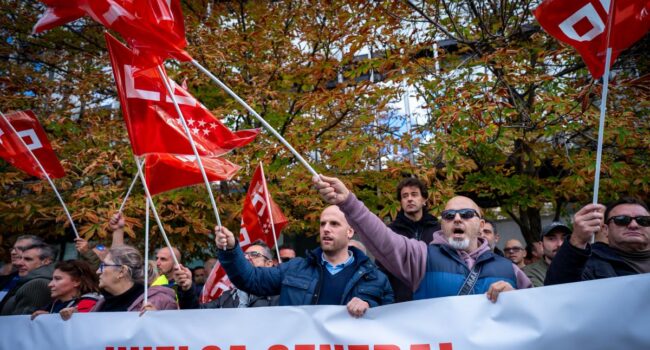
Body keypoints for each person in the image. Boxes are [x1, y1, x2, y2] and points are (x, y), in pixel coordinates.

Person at [313, 175, 531, 303]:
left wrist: (516, 302)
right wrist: (349, 202)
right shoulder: (422, 257)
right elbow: (383, 240)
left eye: (465, 214)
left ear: (482, 225)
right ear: (442, 224)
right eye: (448, 216)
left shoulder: (509, 269)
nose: (456, 219)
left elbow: (540, 315)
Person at [215, 205, 393, 318]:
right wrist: (231, 250)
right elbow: (251, 279)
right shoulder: (295, 268)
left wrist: (370, 308)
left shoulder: (376, 279)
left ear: (350, 232)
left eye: (334, 224)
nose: (326, 229)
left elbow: (390, 324)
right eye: (323, 224)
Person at [546, 197, 650, 285]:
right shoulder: (590, 264)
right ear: (605, 229)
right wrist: (577, 240)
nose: (633, 225)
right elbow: (558, 292)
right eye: (622, 220)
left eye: (643, 220)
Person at [380, 177, 441, 303]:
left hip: (436, 301)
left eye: (414, 194)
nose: (409, 199)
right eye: (405, 196)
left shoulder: (439, 230)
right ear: (401, 202)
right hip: (400, 303)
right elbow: (381, 269)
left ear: (424, 199)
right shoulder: (390, 232)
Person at [175, 240, 279, 309]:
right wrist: (187, 289)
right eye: (244, 255)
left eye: (254, 255)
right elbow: (195, 314)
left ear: (269, 264)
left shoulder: (279, 294)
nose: (247, 258)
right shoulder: (227, 297)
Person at [90, 245, 177, 312]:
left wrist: (156, 322)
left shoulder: (159, 301)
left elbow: (175, 332)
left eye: (103, 266)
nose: (98, 271)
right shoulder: (101, 304)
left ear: (121, 271)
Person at [31, 260, 101, 320]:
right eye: (52, 279)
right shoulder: (54, 304)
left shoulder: (89, 303)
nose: (50, 284)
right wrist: (48, 317)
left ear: (77, 281)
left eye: (57, 279)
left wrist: (78, 315)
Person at [0, 242, 57, 315]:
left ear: (46, 261)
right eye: (20, 258)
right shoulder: (29, 280)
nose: (19, 263)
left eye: (28, 259)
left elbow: (21, 322)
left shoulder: (38, 284)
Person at [523, 222, 570, 287]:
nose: (560, 244)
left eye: (564, 238)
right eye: (551, 239)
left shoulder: (582, 266)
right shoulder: (531, 272)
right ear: (541, 245)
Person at [0, 235, 43, 302]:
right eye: (13, 249)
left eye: (19, 249)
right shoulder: (10, 276)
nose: (13, 253)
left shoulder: (39, 283)